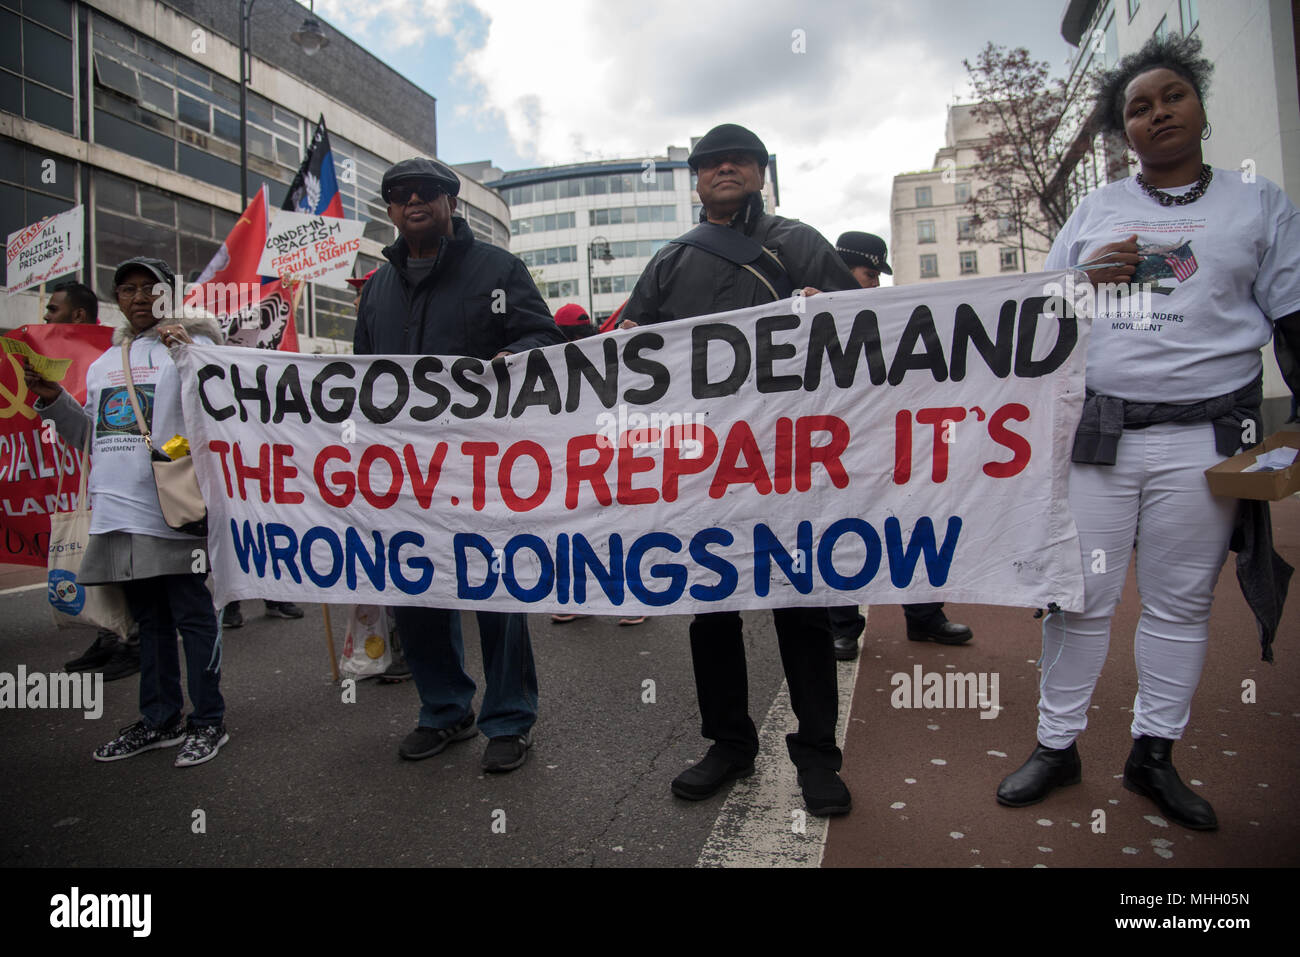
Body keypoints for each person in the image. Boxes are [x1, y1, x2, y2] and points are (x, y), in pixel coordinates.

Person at [996, 34, 1300, 830]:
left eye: (1172, 97)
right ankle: (1056, 745)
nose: (1158, 112)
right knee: (1081, 597)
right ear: (1120, 130)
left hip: (1207, 444)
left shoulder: (1257, 202)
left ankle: (1153, 754)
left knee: (1180, 602)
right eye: (1138, 106)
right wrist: (1079, 283)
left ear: (1199, 104)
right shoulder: (1094, 213)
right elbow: (1042, 318)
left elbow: (1293, 318)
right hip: (1102, 439)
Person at [618, 123, 857, 816]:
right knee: (711, 611)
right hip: (705, 467)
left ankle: (817, 754)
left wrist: (830, 310)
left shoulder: (801, 244)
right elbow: (631, 356)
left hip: (787, 459)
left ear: (760, 173)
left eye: (739, 160)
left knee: (802, 611)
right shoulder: (670, 262)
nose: (724, 169)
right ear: (696, 180)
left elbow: (866, 335)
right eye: (710, 162)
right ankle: (729, 741)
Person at [354, 157, 564, 773]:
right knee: (417, 592)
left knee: (495, 592)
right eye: (399, 194)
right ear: (390, 210)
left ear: (451, 203)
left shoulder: (498, 269)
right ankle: (444, 711)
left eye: (428, 191)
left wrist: (508, 357)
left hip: (484, 466)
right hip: (404, 472)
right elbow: (359, 376)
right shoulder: (377, 288)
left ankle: (509, 720)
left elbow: (545, 340)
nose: (413, 200)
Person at [24, 257, 230, 766]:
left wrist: (187, 354)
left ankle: (209, 721)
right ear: (117, 299)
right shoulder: (101, 365)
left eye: (150, 288)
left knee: (193, 617)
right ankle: (159, 720)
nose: (140, 298)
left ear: (167, 294)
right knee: (150, 622)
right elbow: (93, 437)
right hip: (117, 509)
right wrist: (53, 401)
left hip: (174, 508)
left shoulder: (192, 347)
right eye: (128, 289)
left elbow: (219, 412)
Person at [828, 232, 974, 660]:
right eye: (868, 273)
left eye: (876, 276)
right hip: (841, 447)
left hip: (893, 441)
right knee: (844, 531)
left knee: (913, 521)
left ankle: (924, 614)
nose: (874, 284)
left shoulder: (891, 315)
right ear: (843, 268)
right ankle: (843, 626)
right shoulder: (812, 311)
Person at [41, 282, 145, 681]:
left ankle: (133, 642)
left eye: (53, 309)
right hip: (90, 467)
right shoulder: (89, 360)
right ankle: (111, 634)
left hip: (119, 474)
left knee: (122, 561)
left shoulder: (112, 357)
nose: (47, 317)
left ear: (78, 316)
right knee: (99, 556)